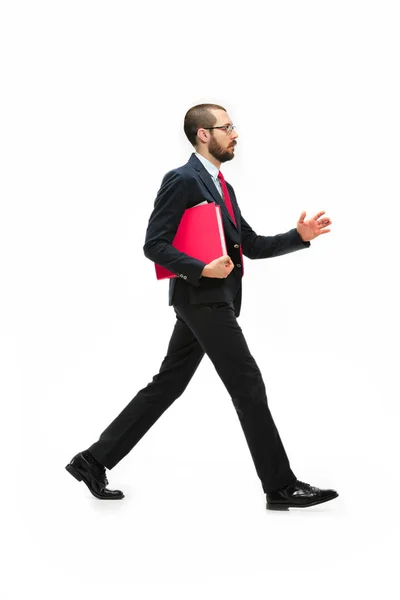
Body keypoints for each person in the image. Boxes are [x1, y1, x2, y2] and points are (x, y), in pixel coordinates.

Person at [65, 103, 338, 510]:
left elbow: (250, 244)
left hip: (215, 300)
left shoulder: (224, 187)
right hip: (202, 299)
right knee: (247, 384)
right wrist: (202, 269)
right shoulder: (182, 180)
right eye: (227, 127)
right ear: (204, 134)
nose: (235, 133)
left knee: (168, 384)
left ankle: (92, 460)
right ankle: (280, 487)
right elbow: (154, 244)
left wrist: (298, 236)